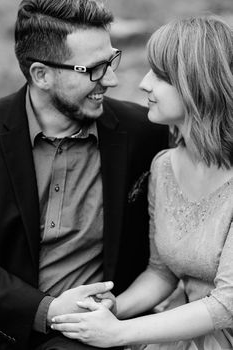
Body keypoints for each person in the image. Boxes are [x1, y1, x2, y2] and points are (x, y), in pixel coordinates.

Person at [50, 14, 233, 350]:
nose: (144, 83)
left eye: (161, 76)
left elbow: (227, 305)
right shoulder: (164, 166)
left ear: (198, 84)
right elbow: (162, 271)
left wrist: (119, 333)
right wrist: (114, 308)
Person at [0, 0, 169, 349]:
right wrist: (43, 309)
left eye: (111, 60)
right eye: (93, 69)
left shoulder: (144, 132)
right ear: (41, 75)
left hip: (92, 337)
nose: (111, 79)